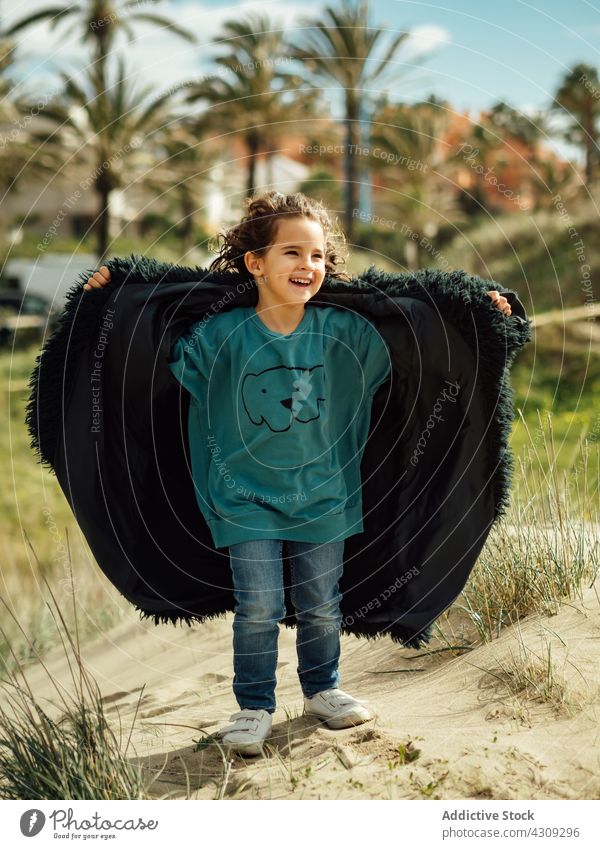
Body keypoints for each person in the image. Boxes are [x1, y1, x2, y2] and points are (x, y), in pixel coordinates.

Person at [83, 190, 512, 756]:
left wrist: (476, 306)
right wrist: (114, 294)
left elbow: (412, 322)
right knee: (257, 606)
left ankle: (323, 690)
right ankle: (254, 707)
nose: (305, 266)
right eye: (290, 253)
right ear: (254, 262)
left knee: (321, 603)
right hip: (242, 498)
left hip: (324, 496)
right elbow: (149, 336)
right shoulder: (220, 334)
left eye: (316, 256)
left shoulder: (347, 332)